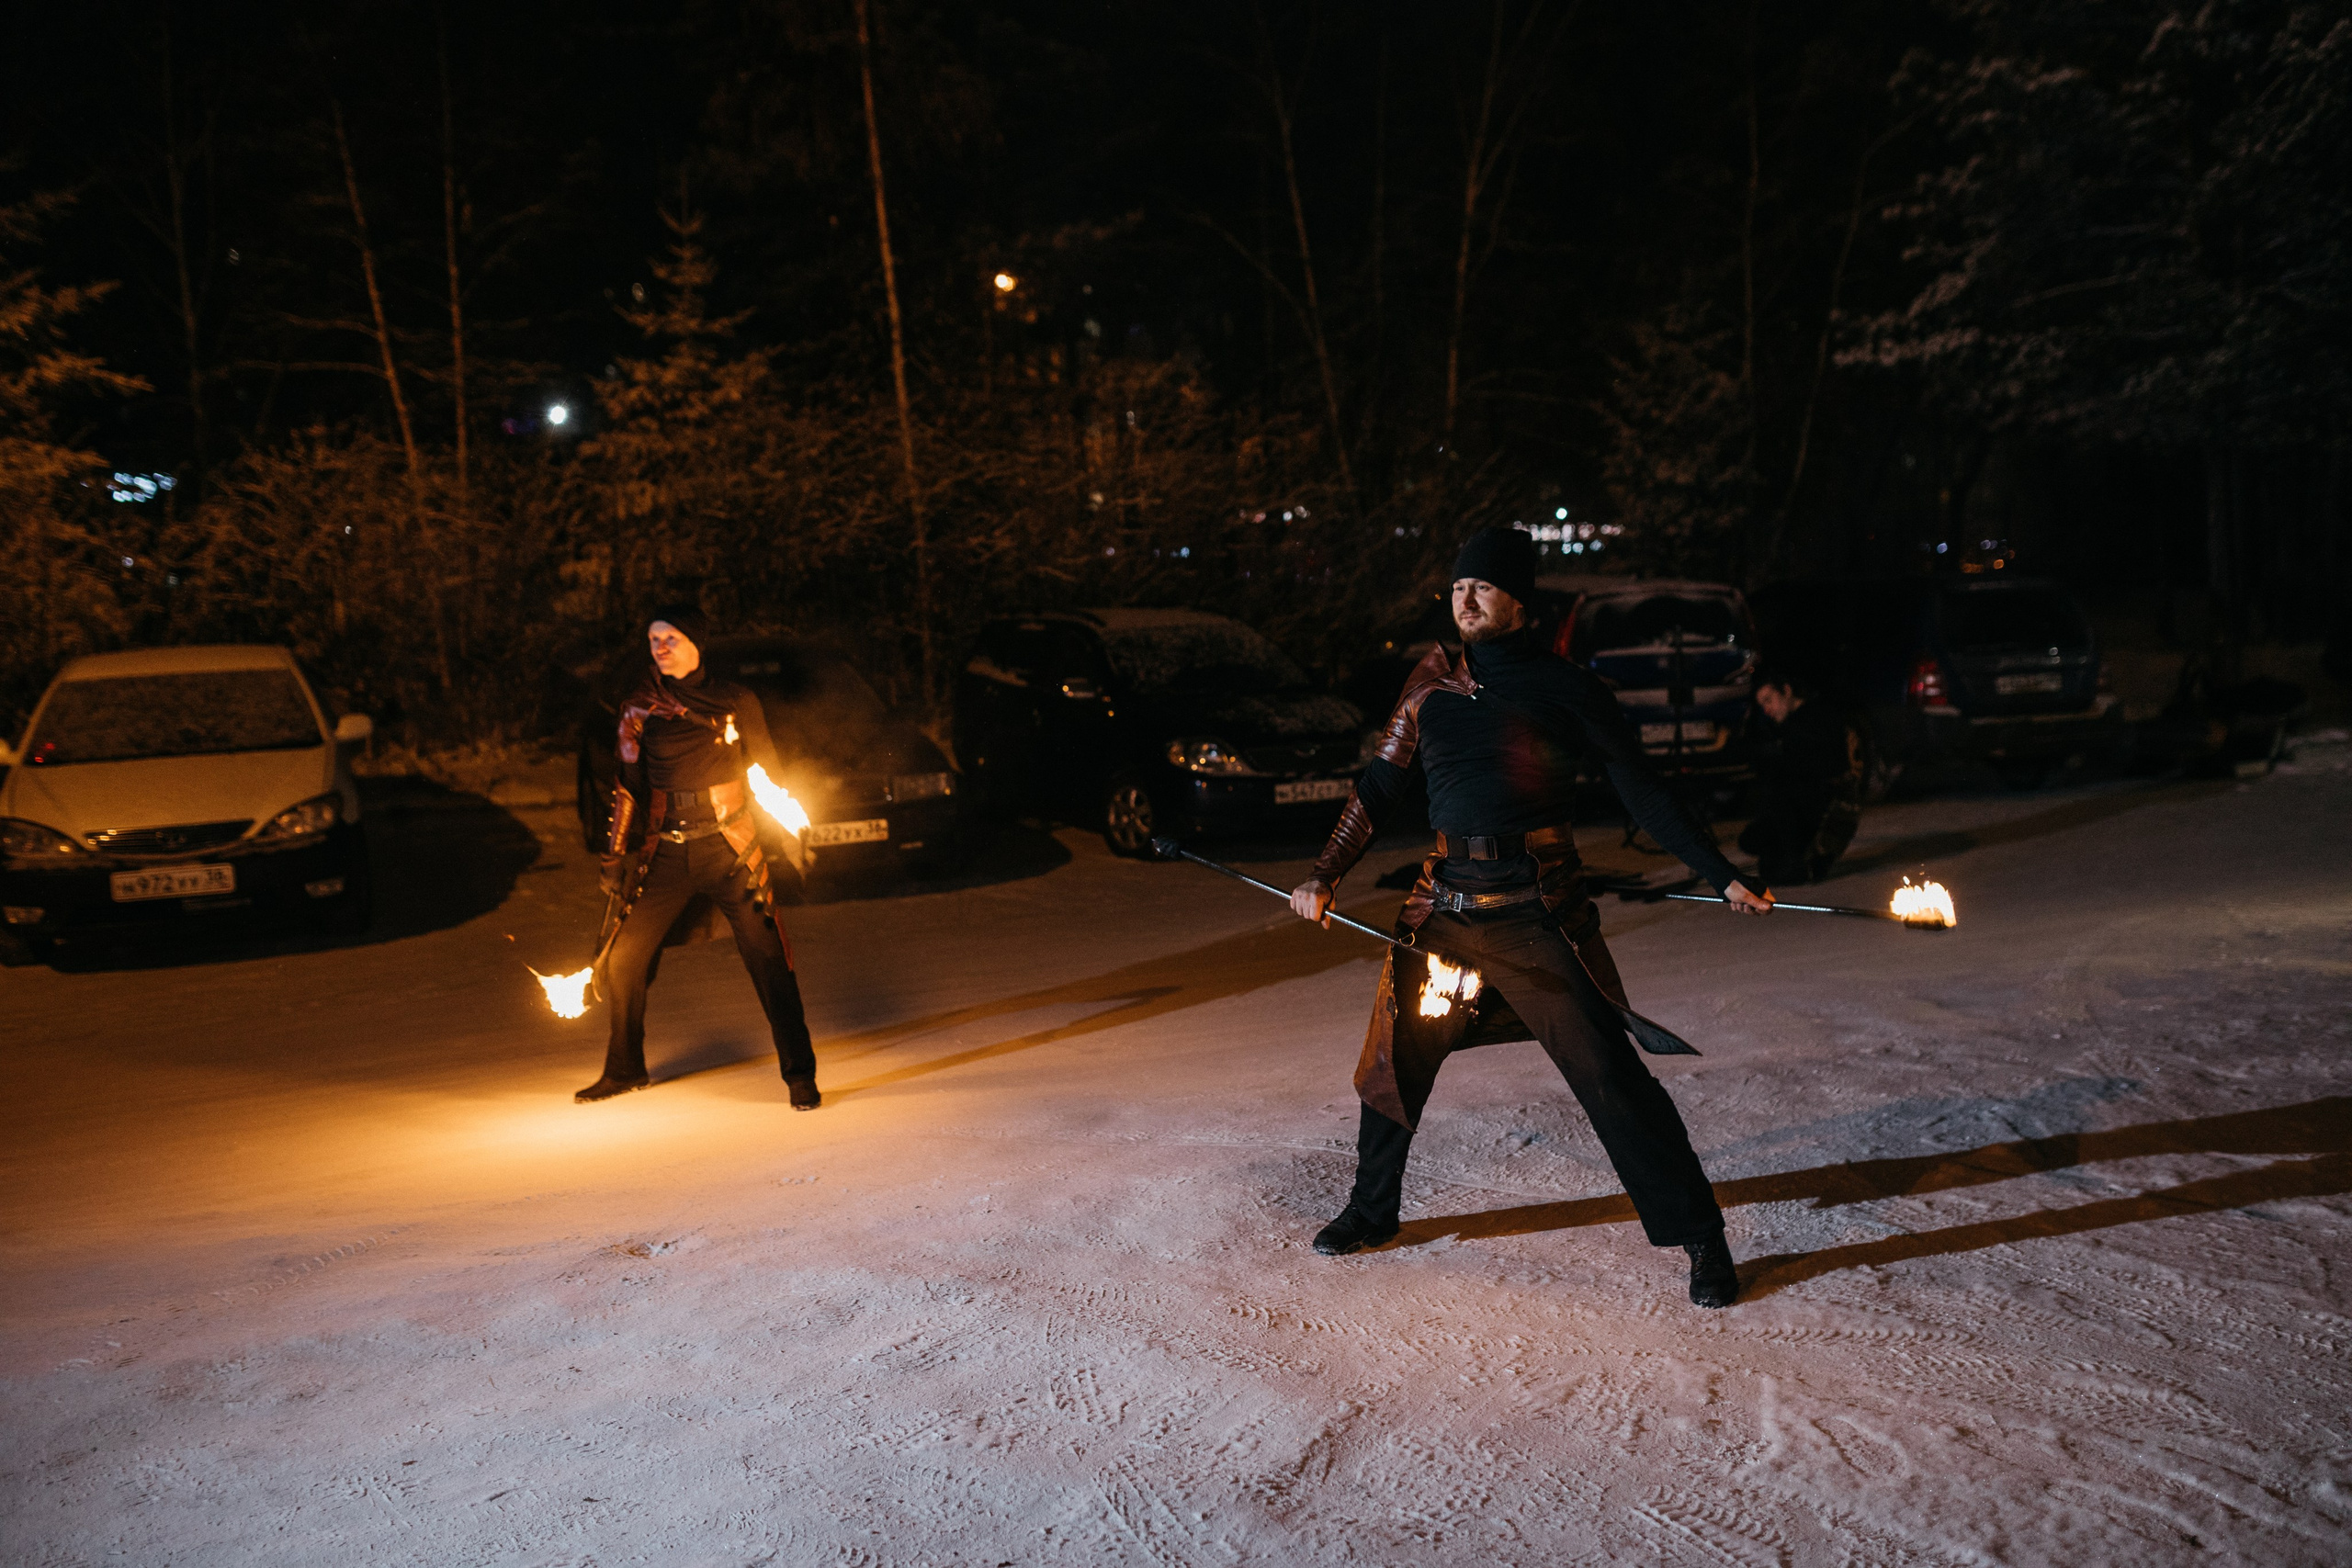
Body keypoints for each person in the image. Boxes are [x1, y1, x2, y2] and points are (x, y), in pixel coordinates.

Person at [1290, 527, 1772, 1308]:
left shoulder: (1568, 689)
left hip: (1535, 916)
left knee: (1612, 1079)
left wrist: (1722, 874)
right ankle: (1371, 1212)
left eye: (1481, 587)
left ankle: (1701, 1238)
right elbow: (1376, 789)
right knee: (1391, 1067)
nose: (1465, 600)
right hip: (1443, 908)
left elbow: (1644, 791)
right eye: (1457, 588)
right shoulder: (1429, 684)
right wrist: (1324, 873)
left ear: (1520, 602)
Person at [576, 604, 821, 1110]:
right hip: (667, 851)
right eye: (654, 640)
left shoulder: (735, 701)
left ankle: (800, 1075)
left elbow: (768, 770)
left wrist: (792, 833)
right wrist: (614, 855)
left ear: (696, 643)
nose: (661, 648)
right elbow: (628, 786)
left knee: (769, 958)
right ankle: (624, 1069)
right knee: (625, 959)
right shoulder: (638, 707)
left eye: (671, 638)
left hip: (732, 849)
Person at [1737, 666, 1863, 886]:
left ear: (1786, 691)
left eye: (1769, 700)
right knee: (1755, 842)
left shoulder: (1818, 718)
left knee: (1780, 796)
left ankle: (1803, 858)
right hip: (1802, 807)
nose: (1767, 709)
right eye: (1762, 705)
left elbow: (1827, 770)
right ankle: (1793, 858)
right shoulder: (1786, 726)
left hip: (1828, 807)